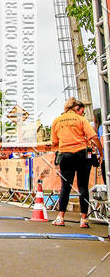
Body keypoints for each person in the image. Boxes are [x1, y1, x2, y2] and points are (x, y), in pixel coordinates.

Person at [51, 98, 102, 229]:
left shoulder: (56, 121)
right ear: (76, 109)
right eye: (82, 112)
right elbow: (93, 137)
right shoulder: (81, 120)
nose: (82, 114)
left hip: (65, 155)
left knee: (65, 186)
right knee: (83, 186)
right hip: (82, 154)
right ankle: (83, 219)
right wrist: (101, 152)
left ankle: (60, 217)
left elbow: (54, 142)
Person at [93, 108, 106, 184]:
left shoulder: (101, 128)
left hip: (104, 157)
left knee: (106, 179)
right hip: (104, 157)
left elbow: (103, 143)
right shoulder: (102, 127)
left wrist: (98, 147)